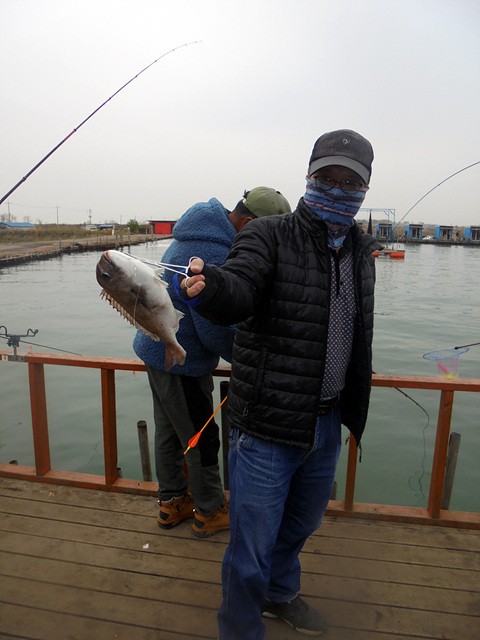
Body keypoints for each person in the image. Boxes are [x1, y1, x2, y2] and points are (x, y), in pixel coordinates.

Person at [180, 130, 377, 638]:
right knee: (251, 547)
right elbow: (240, 287)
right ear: (308, 176)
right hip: (265, 424)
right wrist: (211, 286)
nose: (337, 189)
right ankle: (240, 628)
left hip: (327, 421)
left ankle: (280, 594)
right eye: (327, 177)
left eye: (350, 182)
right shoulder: (268, 234)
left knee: (301, 526)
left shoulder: (361, 249)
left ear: (365, 189)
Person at [133, 187, 291, 538]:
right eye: (269, 234)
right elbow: (214, 331)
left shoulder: (199, 234)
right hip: (181, 360)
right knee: (200, 437)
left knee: (169, 432)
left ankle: (172, 502)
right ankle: (209, 510)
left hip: (157, 350)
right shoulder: (213, 252)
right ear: (248, 224)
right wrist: (249, 359)